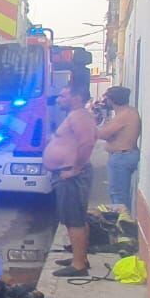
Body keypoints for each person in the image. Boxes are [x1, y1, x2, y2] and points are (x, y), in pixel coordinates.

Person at [45, 83, 97, 276]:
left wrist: (76, 168)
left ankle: (78, 265)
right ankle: (79, 256)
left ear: (76, 98)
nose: (59, 99)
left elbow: (87, 142)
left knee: (75, 219)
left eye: (63, 96)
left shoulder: (79, 116)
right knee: (73, 218)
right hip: (67, 172)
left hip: (71, 175)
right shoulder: (77, 116)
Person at [97, 86, 141, 212]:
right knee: (122, 195)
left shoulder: (123, 115)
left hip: (121, 157)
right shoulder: (131, 112)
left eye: (107, 99)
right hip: (125, 155)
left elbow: (103, 134)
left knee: (118, 197)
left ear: (112, 100)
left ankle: (121, 227)